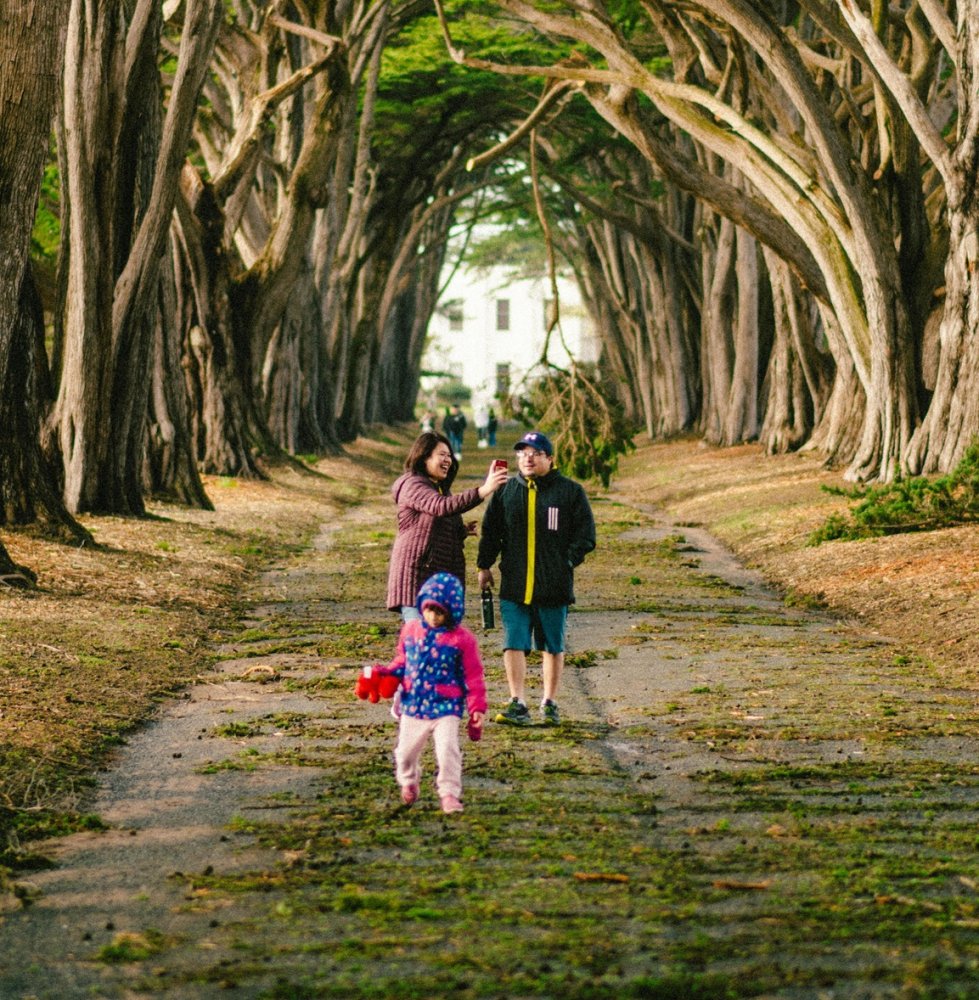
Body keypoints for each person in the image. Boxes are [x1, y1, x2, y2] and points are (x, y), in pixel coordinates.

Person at [476, 430, 595, 727]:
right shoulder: (505, 491)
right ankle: (517, 701)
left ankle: (550, 702)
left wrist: (566, 561)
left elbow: (586, 535)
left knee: (552, 646)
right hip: (514, 583)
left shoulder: (569, 492)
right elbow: (491, 531)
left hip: (553, 585)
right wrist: (484, 565)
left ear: (550, 459)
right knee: (513, 642)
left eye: (536, 453)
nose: (528, 458)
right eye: (522, 453)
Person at [371, 573, 488, 814]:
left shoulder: (462, 640)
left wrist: (477, 708)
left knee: (447, 750)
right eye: (428, 610)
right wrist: (385, 674)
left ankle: (449, 792)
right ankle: (409, 780)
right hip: (414, 705)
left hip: (446, 705)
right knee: (404, 753)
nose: (433, 617)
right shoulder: (411, 631)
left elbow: (473, 676)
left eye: (439, 612)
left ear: (452, 612)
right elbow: (402, 661)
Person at [386, 431, 507, 622]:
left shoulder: (440, 488)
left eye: (449, 455)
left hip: (438, 582)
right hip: (417, 581)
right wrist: (484, 489)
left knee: (440, 644)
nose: (448, 460)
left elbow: (433, 522)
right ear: (423, 456)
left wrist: (460, 530)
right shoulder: (413, 485)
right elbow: (440, 507)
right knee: (423, 643)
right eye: (441, 454)